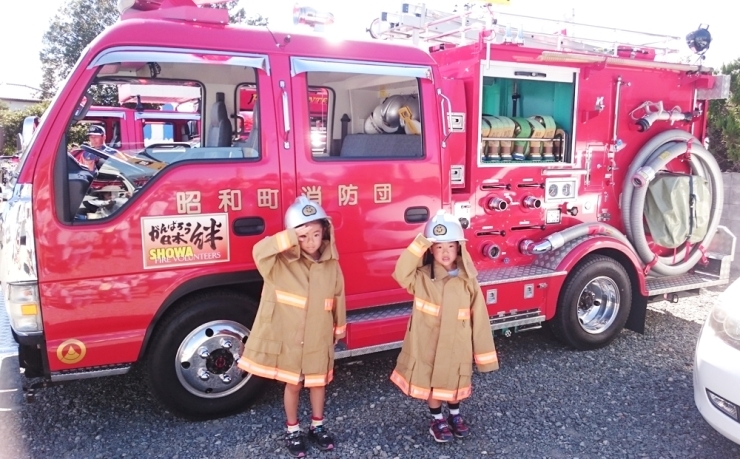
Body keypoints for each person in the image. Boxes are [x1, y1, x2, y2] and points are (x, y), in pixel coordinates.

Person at [237, 196, 346, 458]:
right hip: (291, 340)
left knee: (318, 383)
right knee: (294, 384)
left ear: (326, 232)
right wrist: (289, 237)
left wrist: (338, 329)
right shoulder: (278, 264)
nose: (311, 242)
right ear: (291, 236)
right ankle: (293, 429)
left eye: (317, 234)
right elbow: (259, 251)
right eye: (303, 236)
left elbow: (339, 297)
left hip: (319, 338)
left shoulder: (331, 264)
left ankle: (317, 426)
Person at [390, 209, 499, 443]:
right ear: (431, 249)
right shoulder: (420, 278)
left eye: (450, 246)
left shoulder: (468, 280)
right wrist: (421, 241)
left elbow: (479, 319)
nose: (445, 252)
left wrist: (484, 356)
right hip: (428, 344)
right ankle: (437, 419)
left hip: (457, 345)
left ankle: (455, 415)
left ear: (459, 247)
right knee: (432, 382)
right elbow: (400, 273)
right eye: (439, 247)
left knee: (454, 381)